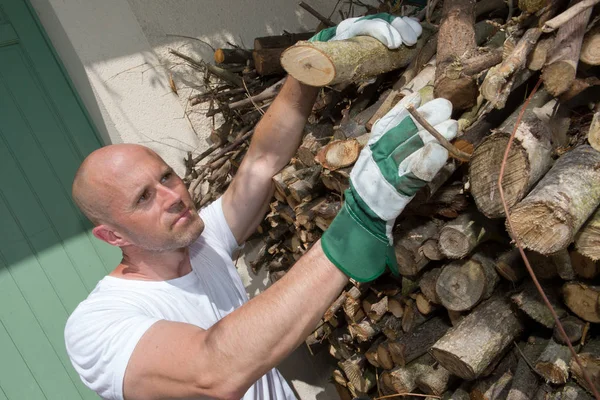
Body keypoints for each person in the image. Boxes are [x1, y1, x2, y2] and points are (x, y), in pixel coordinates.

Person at [65, 14, 457, 400]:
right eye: (143, 198)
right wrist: (359, 222)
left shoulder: (200, 244)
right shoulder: (98, 326)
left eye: (166, 177)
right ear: (111, 235)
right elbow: (212, 372)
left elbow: (261, 162)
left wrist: (312, 61)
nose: (173, 196)